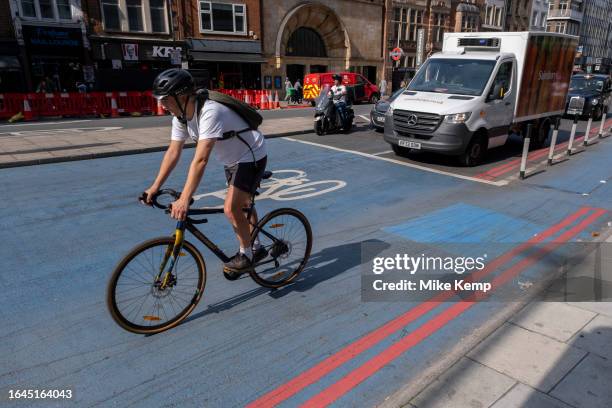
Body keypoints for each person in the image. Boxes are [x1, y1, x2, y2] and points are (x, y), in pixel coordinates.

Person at [144, 68, 268, 275]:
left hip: (251, 155)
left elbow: (201, 159)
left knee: (231, 208)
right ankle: (257, 247)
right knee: (244, 204)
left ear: (182, 96)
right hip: (231, 159)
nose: (161, 104)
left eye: (165, 99)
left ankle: (247, 254)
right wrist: (154, 187)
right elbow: (173, 151)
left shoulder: (211, 111)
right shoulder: (181, 117)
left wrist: (185, 199)